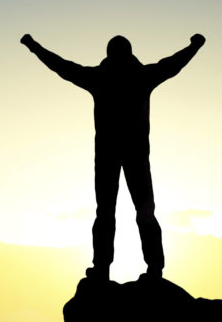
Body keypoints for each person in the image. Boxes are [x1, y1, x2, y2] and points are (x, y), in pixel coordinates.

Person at [21, 32, 205, 281]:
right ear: (130, 53)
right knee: (141, 211)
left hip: (109, 156)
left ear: (109, 54)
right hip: (136, 155)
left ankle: (104, 269)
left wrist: (33, 46)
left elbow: (61, 66)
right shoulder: (141, 77)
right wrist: (194, 45)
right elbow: (174, 64)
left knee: (107, 212)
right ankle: (153, 268)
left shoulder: (100, 78)